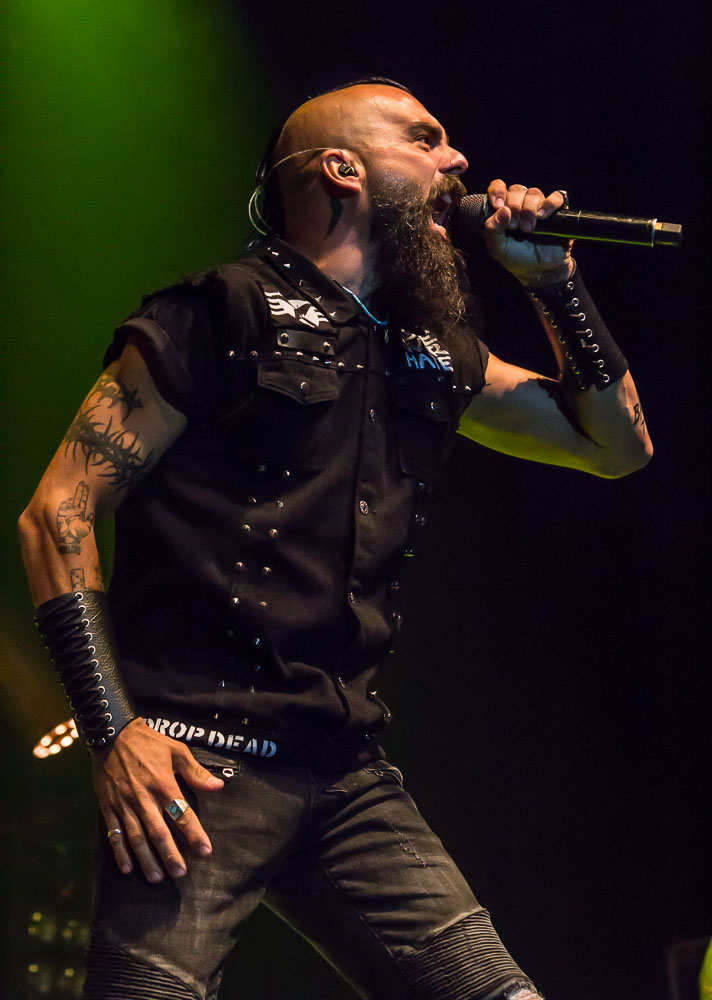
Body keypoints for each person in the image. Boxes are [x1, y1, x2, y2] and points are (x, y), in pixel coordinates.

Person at [18, 78, 652, 1000]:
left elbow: (618, 448)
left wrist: (554, 284)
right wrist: (114, 733)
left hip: (347, 773)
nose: (457, 161)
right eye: (425, 139)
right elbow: (58, 512)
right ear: (343, 170)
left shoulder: (430, 350)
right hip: (194, 760)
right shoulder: (217, 312)